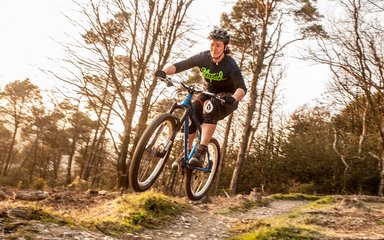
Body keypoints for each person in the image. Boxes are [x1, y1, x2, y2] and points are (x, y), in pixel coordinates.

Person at [155, 28, 247, 169]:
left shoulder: (230, 64)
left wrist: (234, 98)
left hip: (227, 98)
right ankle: (185, 152)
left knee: (210, 106)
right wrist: (164, 72)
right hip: (208, 93)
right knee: (191, 112)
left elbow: (241, 88)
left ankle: (201, 149)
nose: (214, 48)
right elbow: (179, 65)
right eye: (212, 44)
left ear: (225, 47)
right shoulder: (203, 57)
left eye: (218, 46)